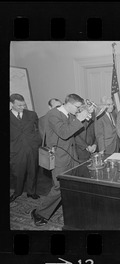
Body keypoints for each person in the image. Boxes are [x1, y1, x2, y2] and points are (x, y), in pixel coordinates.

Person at [30, 94, 92, 226]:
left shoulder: (69, 115)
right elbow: (64, 133)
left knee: (75, 184)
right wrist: (78, 119)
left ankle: (75, 209)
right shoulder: (53, 114)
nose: (78, 109)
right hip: (59, 158)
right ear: (68, 104)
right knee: (59, 187)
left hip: (72, 156)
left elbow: (75, 134)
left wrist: (86, 119)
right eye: (77, 107)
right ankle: (39, 213)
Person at [10, 93, 42, 202]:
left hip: (32, 148)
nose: (23, 107)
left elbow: (37, 130)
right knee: (17, 173)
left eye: (24, 105)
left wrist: (37, 143)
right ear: (11, 104)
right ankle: (17, 192)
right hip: (16, 151)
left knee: (33, 171)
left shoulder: (32, 114)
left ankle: (31, 192)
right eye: (19, 105)